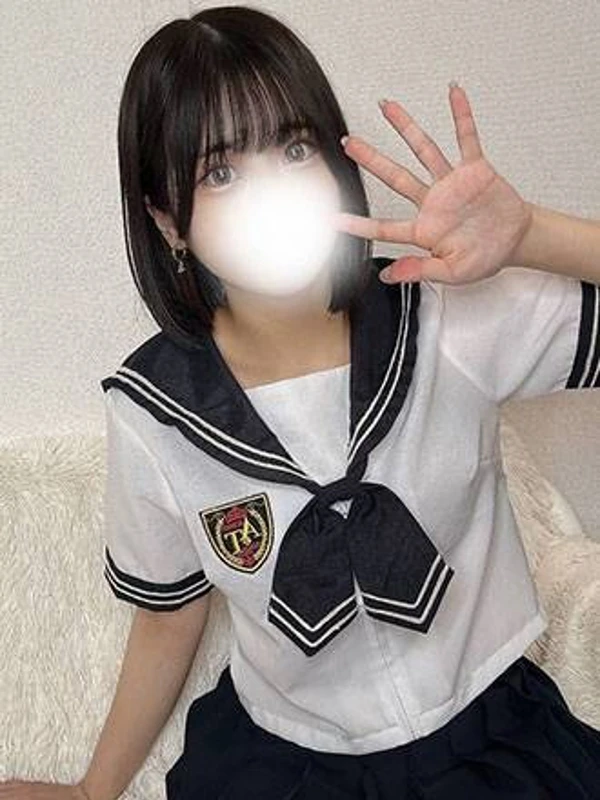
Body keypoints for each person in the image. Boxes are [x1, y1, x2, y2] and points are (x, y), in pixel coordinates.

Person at [2, 5, 599, 800]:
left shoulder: (447, 313)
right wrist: (91, 791)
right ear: (166, 219)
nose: (273, 192)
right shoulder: (153, 411)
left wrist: (531, 237)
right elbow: (170, 617)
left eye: (293, 148)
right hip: (284, 765)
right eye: (220, 172)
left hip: (490, 740)